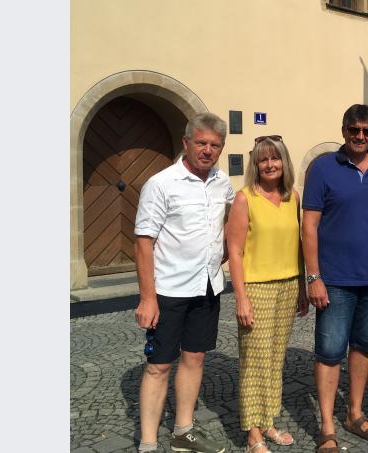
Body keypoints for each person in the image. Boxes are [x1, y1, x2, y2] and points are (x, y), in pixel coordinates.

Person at [133, 113, 234, 453]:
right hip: (169, 290)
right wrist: (148, 298)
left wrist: (219, 256)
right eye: (202, 143)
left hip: (207, 287)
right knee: (159, 366)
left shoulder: (223, 183)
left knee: (195, 359)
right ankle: (148, 443)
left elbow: (231, 227)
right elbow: (143, 241)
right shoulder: (161, 184)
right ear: (186, 143)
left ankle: (182, 433)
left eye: (215, 145)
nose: (208, 150)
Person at [301, 104, 368, 453]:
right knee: (329, 351)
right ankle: (327, 426)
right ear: (344, 130)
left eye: (367, 131)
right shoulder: (324, 168)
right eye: (354, 130)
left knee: (364, 346)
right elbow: (308, 225)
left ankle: (354, 413)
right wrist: (314, 276)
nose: (360, 136)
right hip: (335, 280)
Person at [226, 135, 308, 453]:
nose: (270, 164)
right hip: (256, 288)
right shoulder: (245, 197)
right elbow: (234, 251)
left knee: (275, 360)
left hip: (288, 285)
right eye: (263, 159)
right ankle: (253, 434)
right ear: (256, 165)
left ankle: (269, 419)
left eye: (275, 158)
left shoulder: (293, 197)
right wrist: (241, 296)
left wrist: (302, 285)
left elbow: (298, 245)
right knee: (254, 361)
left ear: (284, 162)